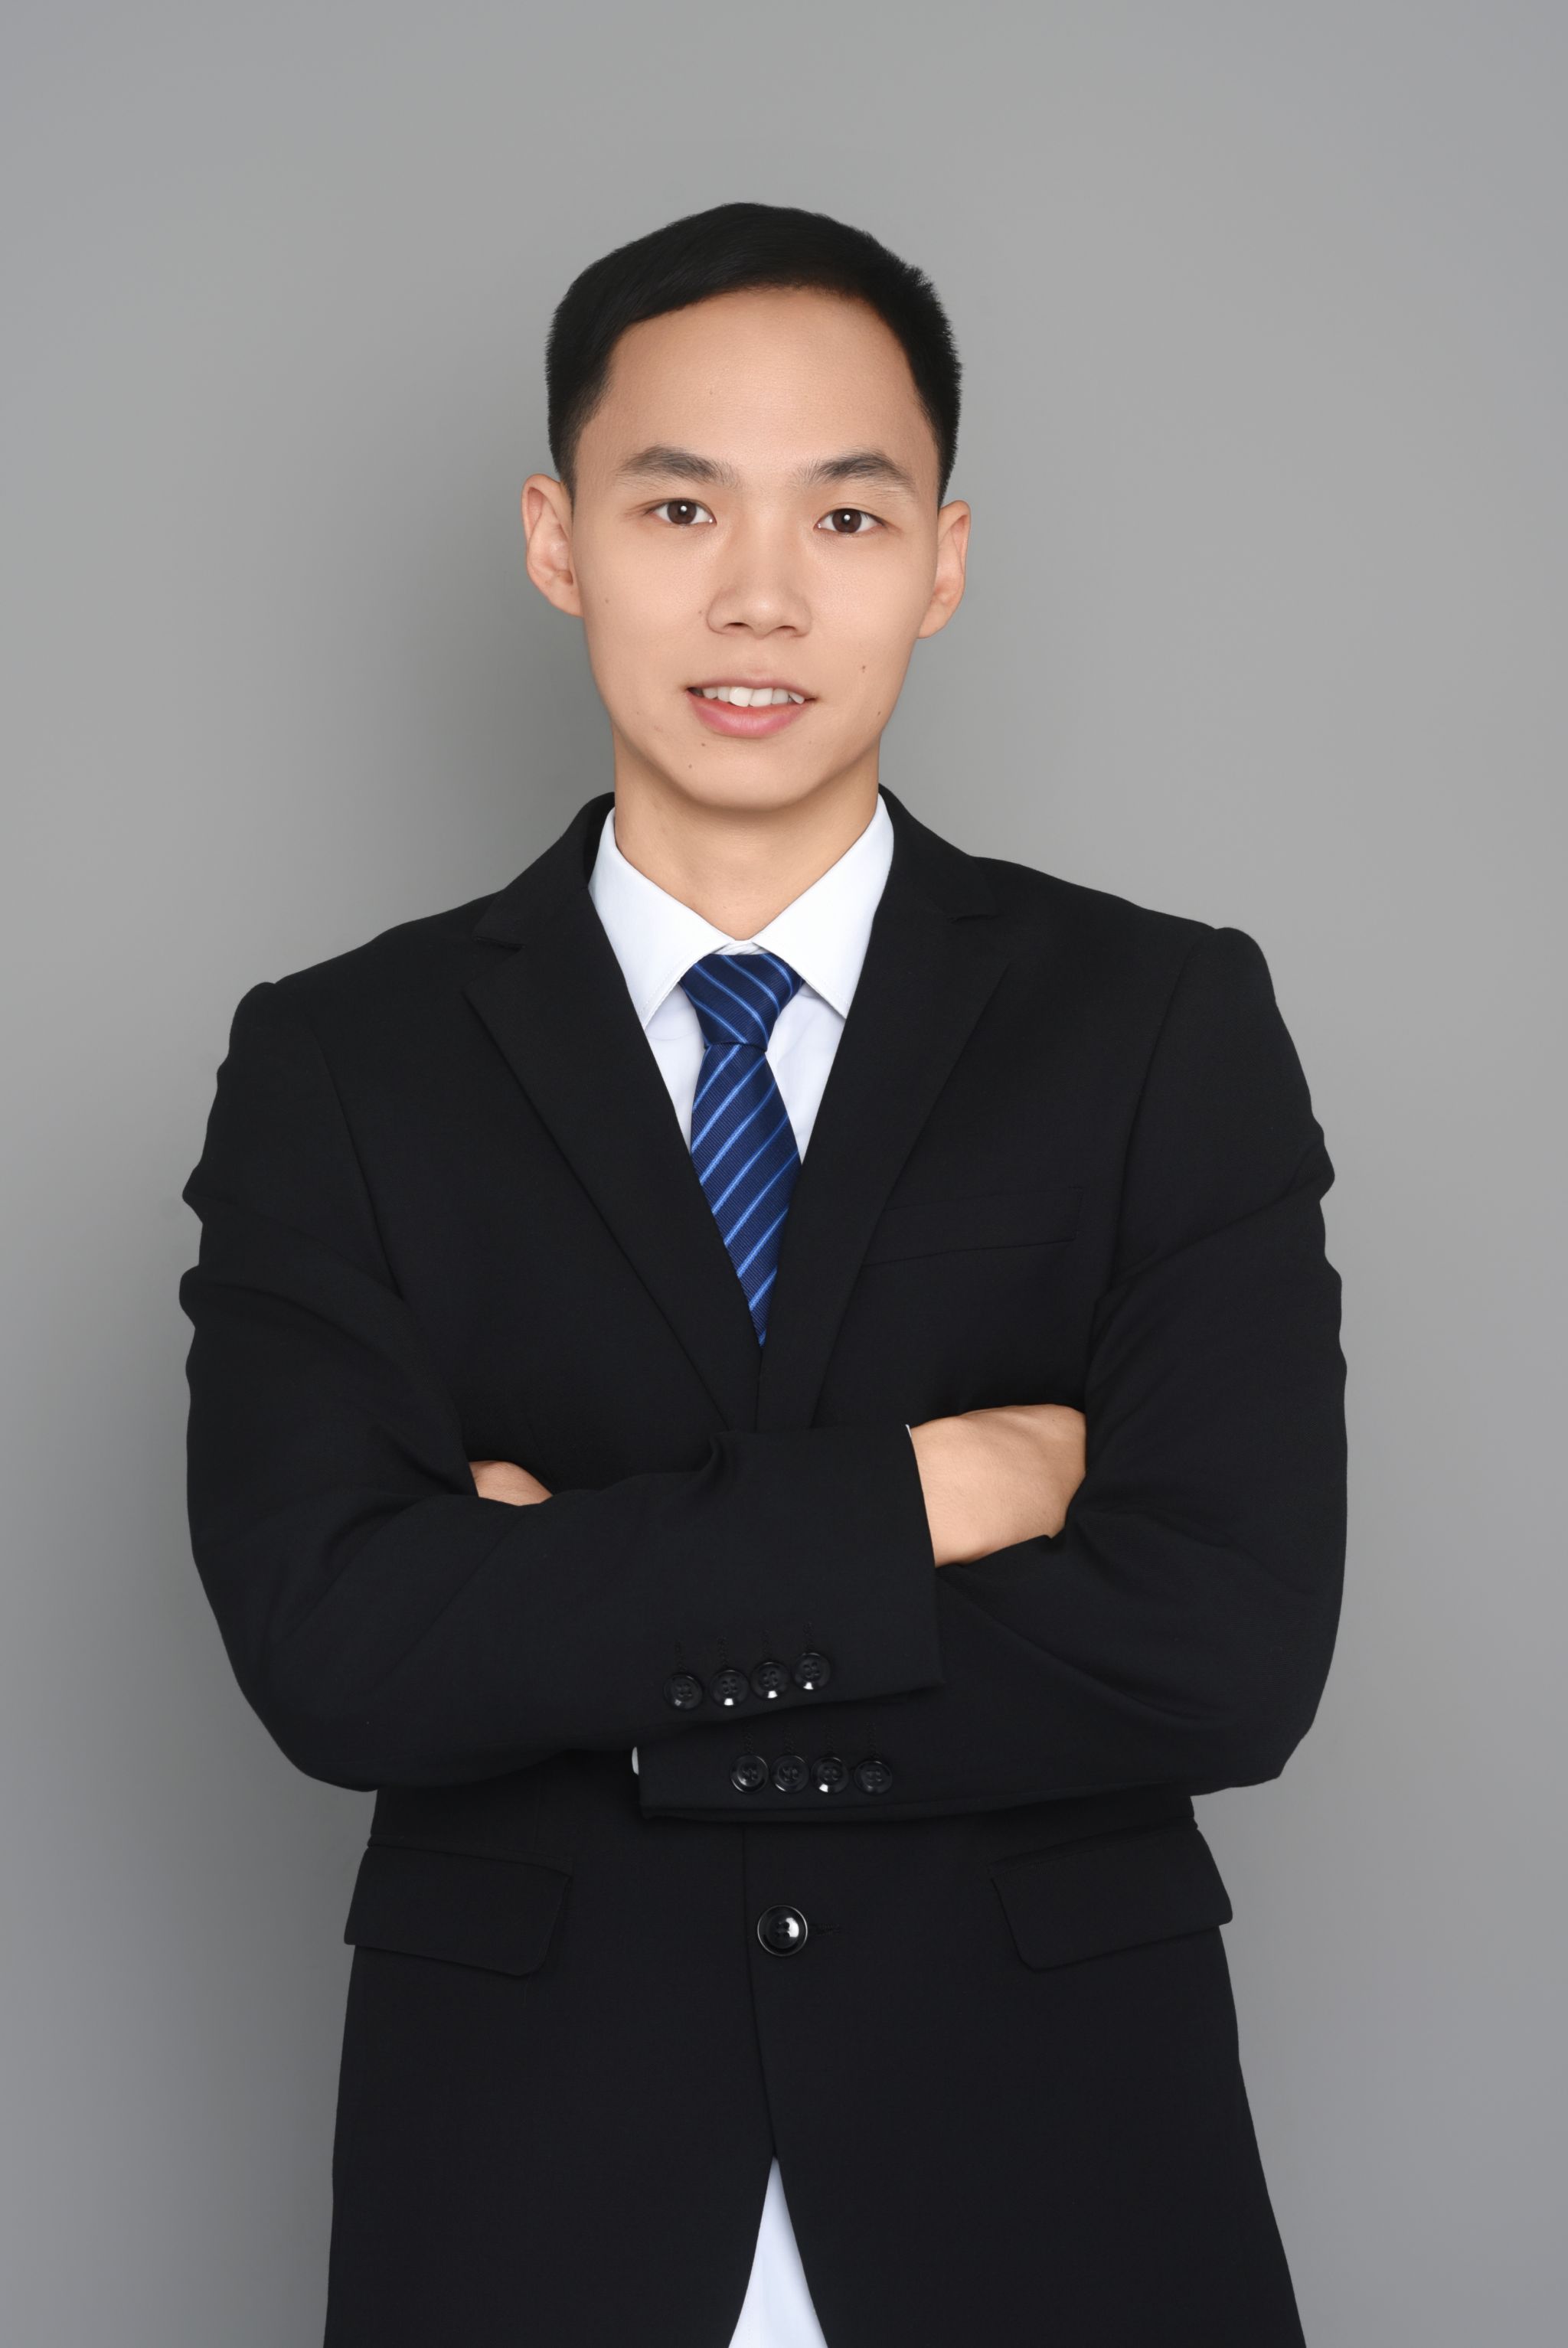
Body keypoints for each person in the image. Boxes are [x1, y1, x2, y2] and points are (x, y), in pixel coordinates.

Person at [178, 199, 1346, 2348]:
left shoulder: (1156, 1025)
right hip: (530, 2190)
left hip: (1058, 2172)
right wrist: (923, 1497)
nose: (760, 594)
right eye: (680, 503)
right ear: (559, 540)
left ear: (944, 560)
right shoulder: (341, 1063)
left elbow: (1226, 1648)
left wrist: (570, 1627)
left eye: (848, 513)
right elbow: (338, 1648)